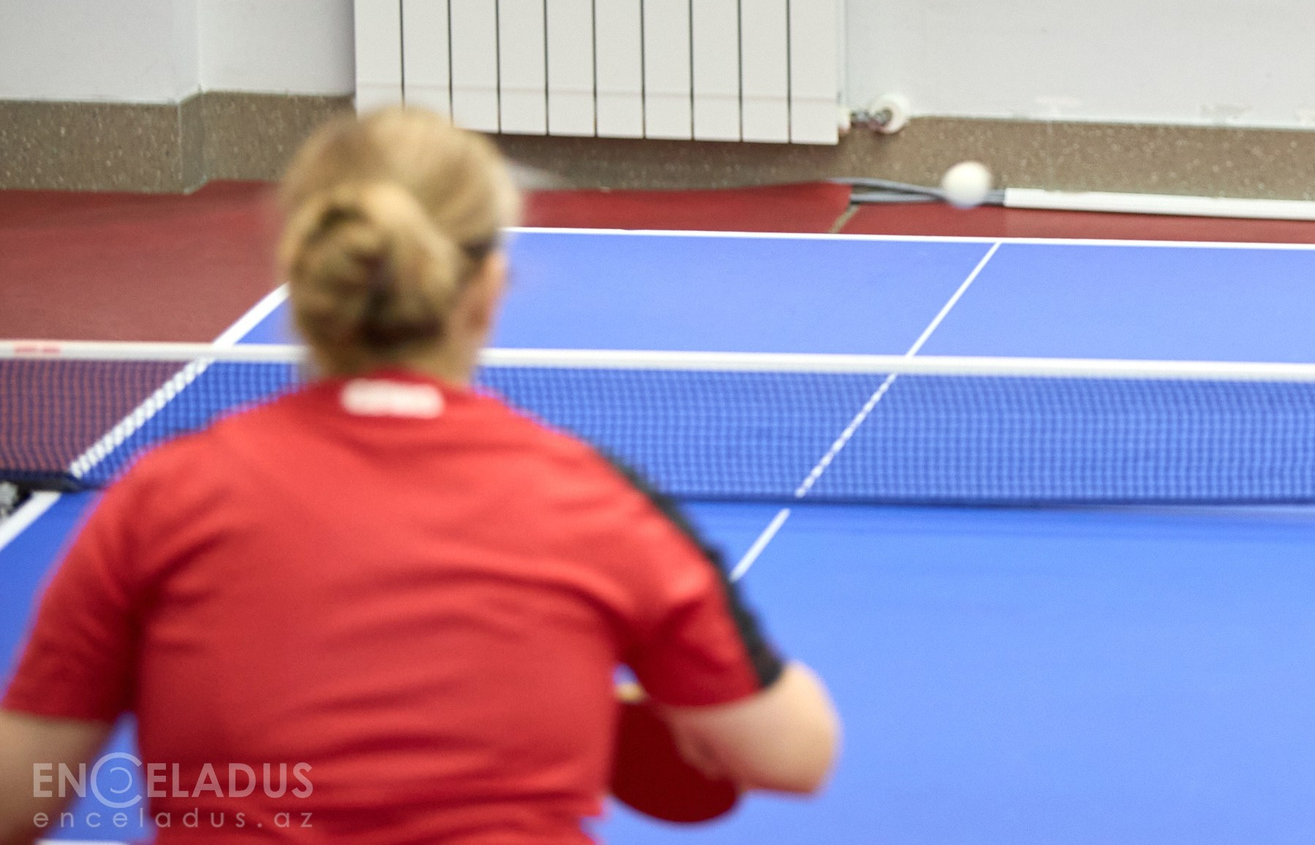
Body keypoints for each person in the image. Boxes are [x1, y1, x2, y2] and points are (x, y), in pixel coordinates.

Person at [0, 107, 840, 843]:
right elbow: (796, 755)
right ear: (489, 286)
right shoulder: (596, 503)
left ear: (303, 271)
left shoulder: (163, 496)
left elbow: (20, 799)